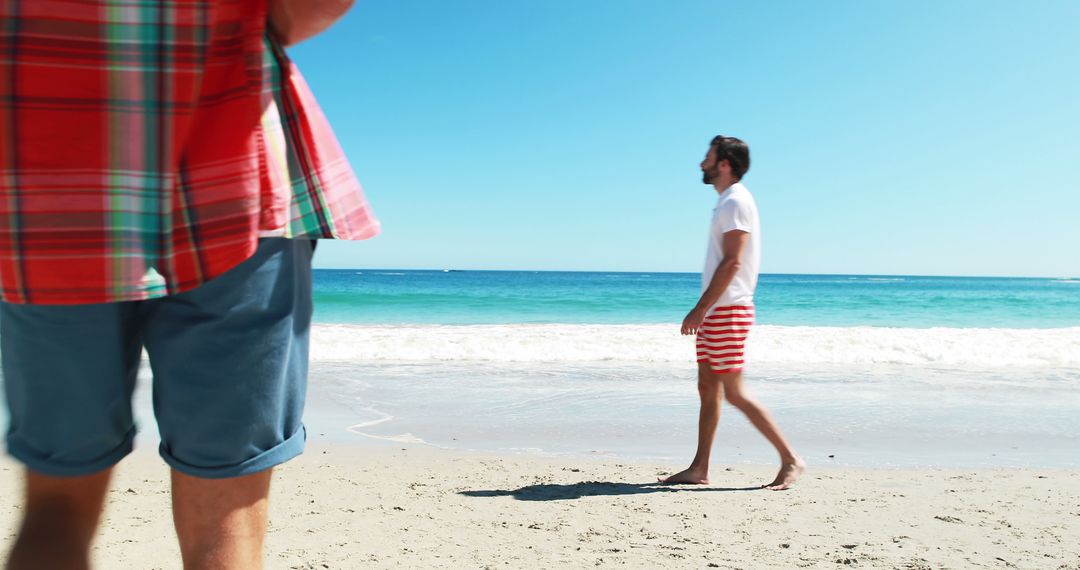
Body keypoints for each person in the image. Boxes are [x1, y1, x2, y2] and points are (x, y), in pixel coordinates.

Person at [0, 1, 378, 568]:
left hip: (46, 194)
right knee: (225, 525)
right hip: (231, 178)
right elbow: (307, 9)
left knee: (55, 508)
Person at [660, 136, 804, 490]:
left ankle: (791, 460)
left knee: (734, 391)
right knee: (707, 386)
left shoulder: (736, 201)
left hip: (729, 308)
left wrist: (700, 308)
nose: (701, 164)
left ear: (724, 163)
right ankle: (699, 468)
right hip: (719, 310)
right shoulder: (727, 202)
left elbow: (733, 261)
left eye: (707, 157)